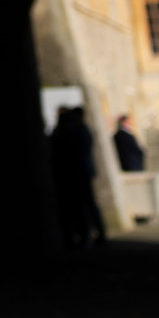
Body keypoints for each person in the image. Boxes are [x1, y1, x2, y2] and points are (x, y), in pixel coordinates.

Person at [49, 105, 107, 249]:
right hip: (81, 173)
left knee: (82, 205)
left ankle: (88, 234)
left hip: (78, 173)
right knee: (85, 205)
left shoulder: (75, 132)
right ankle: (91, 233)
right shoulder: (79, 130)